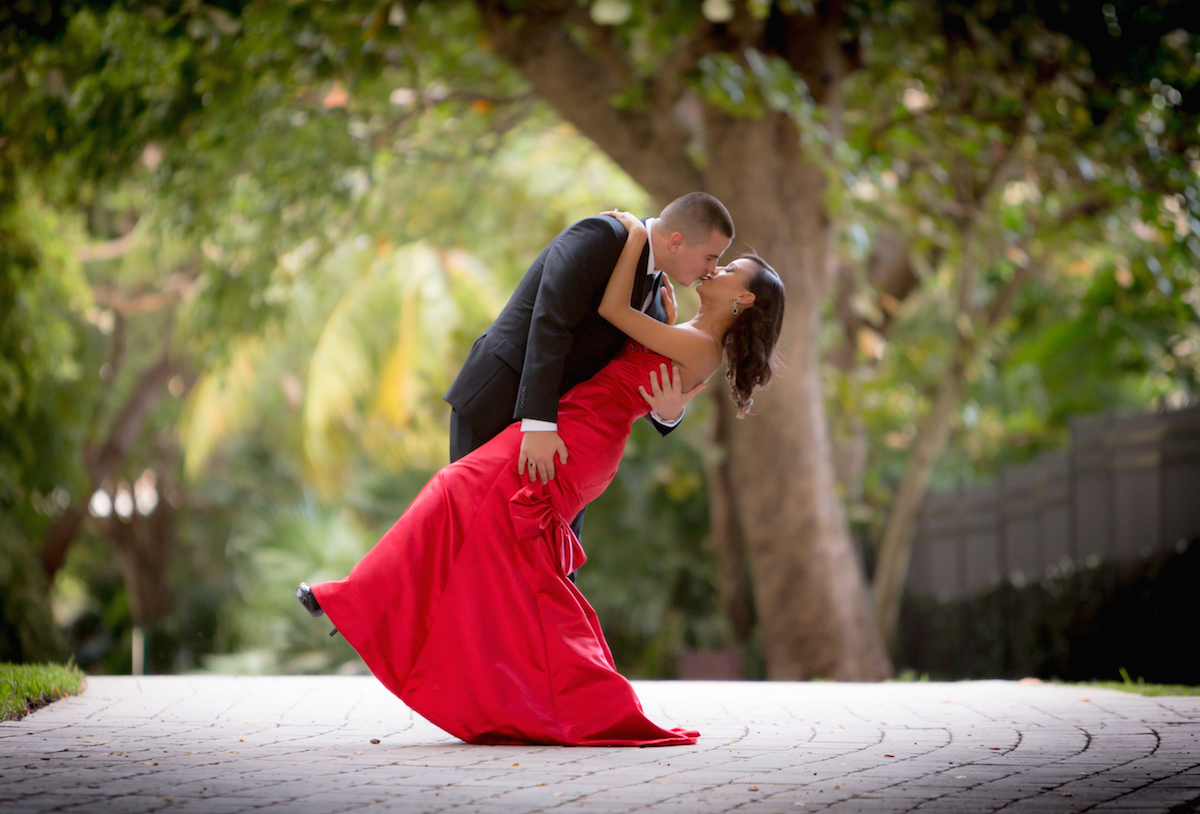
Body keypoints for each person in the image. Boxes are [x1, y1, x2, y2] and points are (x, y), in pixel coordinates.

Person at [295, 210, 785, 747]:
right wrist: (666, 393)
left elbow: (611, 312)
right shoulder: (677, 321)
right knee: (505, 554)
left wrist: (636, 235)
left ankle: (361, 604)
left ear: (743, 302)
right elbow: (633, 370)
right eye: (713, 257)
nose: (713, 270)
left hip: (578, 438)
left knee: (458, 495)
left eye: (726, 267)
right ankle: (514, 687)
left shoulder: (692, 339)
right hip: (574, 427)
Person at [442, 193, 734, 556]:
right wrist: (539, 424)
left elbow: (631, 377)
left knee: (553, 564)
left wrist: (669, 413)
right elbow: (550, 321)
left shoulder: (659, 299)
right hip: (502, 399)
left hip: (566, 443)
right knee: (472, 544)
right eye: (711, 257)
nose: (712, 269)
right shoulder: (602, 236)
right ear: (677, 241)